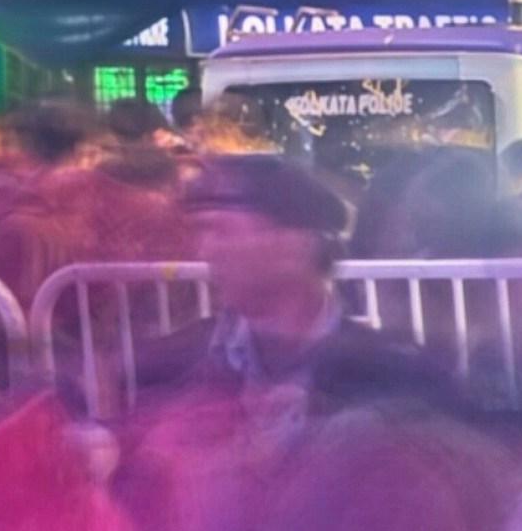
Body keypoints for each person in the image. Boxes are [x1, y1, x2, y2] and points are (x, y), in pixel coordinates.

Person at [133, 154, 456, 417]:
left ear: (296, 242)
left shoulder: (397, 378)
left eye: (222, 231)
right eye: (201, 234)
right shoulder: (165, 369)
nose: (204, 252)